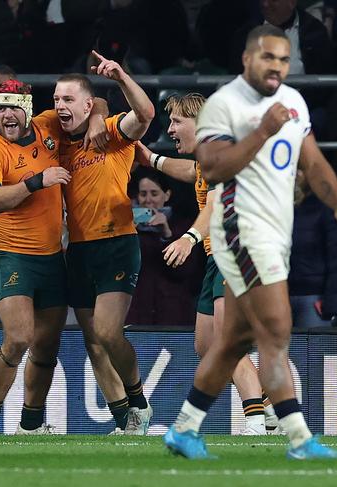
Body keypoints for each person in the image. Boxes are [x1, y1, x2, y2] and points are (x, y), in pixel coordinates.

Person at [164, 25, 337, 459]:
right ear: (248, 59)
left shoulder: (294, 102)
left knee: (231, 341)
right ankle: (300, 439)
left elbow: (314, 161)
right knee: (275, 330)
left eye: (284, 60)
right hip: (239, 231)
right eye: (269, 58)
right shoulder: (225, 106)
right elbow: (211, 165)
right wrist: (262, 132)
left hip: (272, 231)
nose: (277, 67)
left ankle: (185, 429)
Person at [135, 93, 276, 434]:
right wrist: (151, 159)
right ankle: (272, 410)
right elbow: (190, 172)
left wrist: (190, 238)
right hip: (219, 258)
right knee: (206, 347)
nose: (170, 128)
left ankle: (256, 423)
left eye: (177, 121)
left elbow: (213, 205)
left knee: (227, 343)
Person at [49, 58, 155, 435]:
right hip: (77, 249)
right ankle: (124, 419)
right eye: (56, 98)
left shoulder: (111, 133)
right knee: (93, 341)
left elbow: (144, 113)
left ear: (87, 105)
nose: (60, 105)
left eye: (68, 99)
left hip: (116, 242)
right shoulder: (57, 141)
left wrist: (121, 77)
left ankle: (139, 402)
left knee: (109, 333)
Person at [0, 79, 72, 435]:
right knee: (19, 338)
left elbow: (97, 107)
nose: (7, 115)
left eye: (14, 108)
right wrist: (35, 182)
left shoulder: (47, 127)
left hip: (52, 257)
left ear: (27, 110)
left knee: (46, 347)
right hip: (11, 256)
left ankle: (30, 424)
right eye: (1, 109)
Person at [126, 171, 205, 327]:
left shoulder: (183, 227)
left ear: (166, 195)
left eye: (154, 193)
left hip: (173, 315)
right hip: (137, 314)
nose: (148, 200)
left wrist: (167, 234)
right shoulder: (126, 226)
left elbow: (186, 272)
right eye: (143, 194)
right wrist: (128, 233)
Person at [289, 170, 337, 327]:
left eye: (300, 172)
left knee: (312, 349)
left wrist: (331, 303)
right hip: (279, 294)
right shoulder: (275, 209)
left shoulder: (323, 209)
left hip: (314, 298)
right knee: (277, 350)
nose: (295, 176)